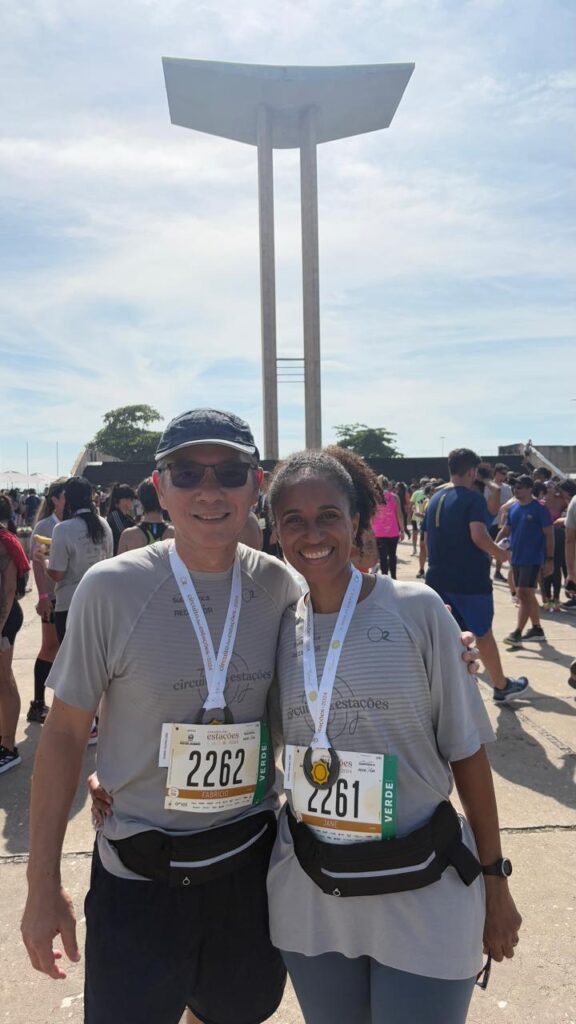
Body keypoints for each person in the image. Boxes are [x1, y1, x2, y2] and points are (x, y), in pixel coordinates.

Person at [21, 409, 302, 1024]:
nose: (209, 491)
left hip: (247, 868)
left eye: (229, 473)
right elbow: (65, 734)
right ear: (160, 484)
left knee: (236, 1014)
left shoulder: (283, 590)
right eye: (186, 472)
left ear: (255, 483)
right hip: (140, 875)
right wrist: (41, 884)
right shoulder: (111, 587)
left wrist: (444, 649)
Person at [265, 450, 521, 1024]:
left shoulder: (418, 609)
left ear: (359, 520)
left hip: (421, 890)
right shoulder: (279, 626)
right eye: (294, 520)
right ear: (275, 530)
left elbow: (468, 752)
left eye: (329, 515)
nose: (313, 534)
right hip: (313, 897)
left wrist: (494, 879)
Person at [423, 448, 528, 703]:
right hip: (469, 580)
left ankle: (446, 691)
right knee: (483, 634)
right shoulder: (472, 499)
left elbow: (426, 539)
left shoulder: (435, 499)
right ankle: (501, 686)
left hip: (437, 578)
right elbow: (478, 535)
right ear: (472, 471)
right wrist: (500, 554)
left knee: (450, 637)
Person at [42, 477, 113, 644]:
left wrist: (44, 561)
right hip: (101, 603)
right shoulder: (104, 525)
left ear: (67, 499)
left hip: (70, 603)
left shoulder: (63, 529)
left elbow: (57, 574)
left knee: (71, 662)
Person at [27, 479, 67, 723]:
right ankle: (38, 702)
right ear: (55, 499)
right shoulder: (45, 526)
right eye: (66, 495)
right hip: (52, 598)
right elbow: (37, 564)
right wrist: (42, 596)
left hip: (70, 598)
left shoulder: (74, 523)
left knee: (66, 650)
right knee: (50, 647)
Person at [499, 475, 554, 647]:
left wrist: (550, 559)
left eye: (521, 486)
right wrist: (493, 547)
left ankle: (517, 633)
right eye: (515, 486)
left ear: (530, 489)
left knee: (523, 593)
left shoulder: (539, 508)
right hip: (516, 558)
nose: (516, 489)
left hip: (532, 559)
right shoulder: (514, 508)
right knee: (527, 594)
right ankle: (537, 629)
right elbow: (506, 530)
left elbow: (549, 535)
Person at [0, 493, 30, 772]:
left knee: (4, 680)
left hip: (5, 619)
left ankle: (8, 746)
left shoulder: (5, 542)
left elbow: (9, 590)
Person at [117, 478, 175, 554]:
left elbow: (118, 565)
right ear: (163, 498)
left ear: (140, 501)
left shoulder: (128, 536)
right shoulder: (176, 534)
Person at [372, 476, 404, 579]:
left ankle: (385, 578)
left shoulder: (375, 498)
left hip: (379, 532)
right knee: (392, 555)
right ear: (388, 484)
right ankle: (394, 577)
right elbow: (399, 514)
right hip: (393, 531)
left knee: (383, 557)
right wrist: (402, 530)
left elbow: (371, 515)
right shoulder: (394, 497)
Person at [106, 483, 136, 554]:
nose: (132, 501)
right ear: (120, 500)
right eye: (129, 498)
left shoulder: (127, 517)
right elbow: (125, 535)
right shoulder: (115, 515)